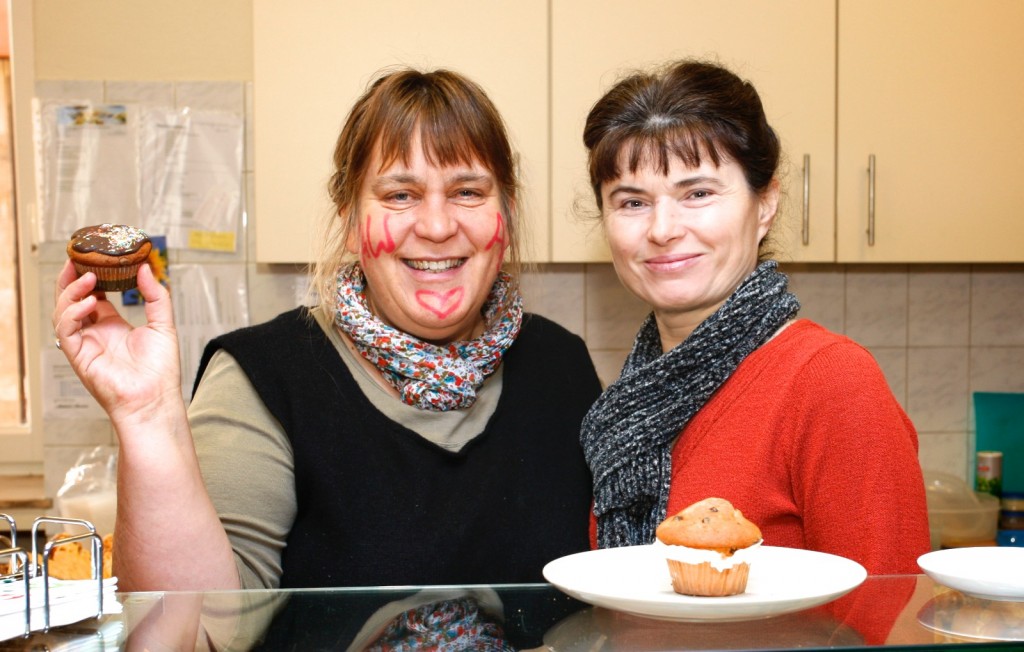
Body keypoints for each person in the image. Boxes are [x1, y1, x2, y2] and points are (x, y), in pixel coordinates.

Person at [53, 68, 601, 592]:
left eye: (468, 192)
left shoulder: (563, 367)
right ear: (349, 221)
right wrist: (146, 418)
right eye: (399, 195)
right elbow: (197, 627)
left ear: (507, 211)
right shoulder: (265, 380)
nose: (437, 226)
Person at [578, 60, 930, 576]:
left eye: (698, 194)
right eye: (632, 202)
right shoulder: (637, 400)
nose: (662, 229)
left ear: (765, 204)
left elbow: (886, 607)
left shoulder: (832, 383)